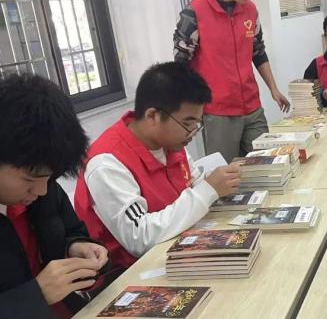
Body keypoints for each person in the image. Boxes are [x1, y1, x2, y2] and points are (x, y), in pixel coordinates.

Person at [74, 62, 242, 270]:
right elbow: (140, 238)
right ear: (152, 116)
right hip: (132, 271)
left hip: (181, 249)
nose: (193, 132)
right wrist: (208, 190)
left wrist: (219, 184)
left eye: (197, 124)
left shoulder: (170, 142)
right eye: (187, 124)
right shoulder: (106, 163)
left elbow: (194, 184)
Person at [0, 74, 109, 319]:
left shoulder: (43, 189)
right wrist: (36, 296)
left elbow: (71, 231)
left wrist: (77, 247)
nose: (41, 191)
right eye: (30, 179)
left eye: (50, 178)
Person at [174, 0, 290, 163]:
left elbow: (258, 52)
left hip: (252, 107)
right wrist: (193, 108)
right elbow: (181, 65)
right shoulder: (194, 12)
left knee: (267, 166)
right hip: (218, 112)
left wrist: (274, 89)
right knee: (226, 172)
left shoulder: (250, 10)